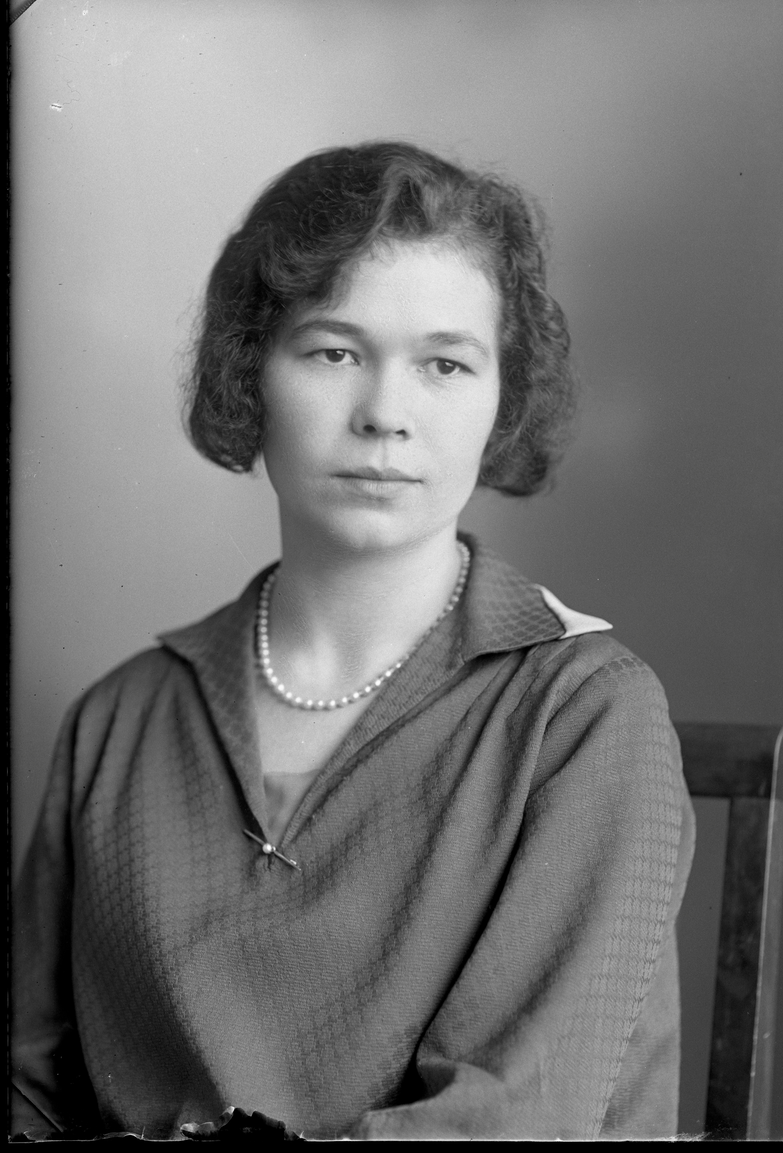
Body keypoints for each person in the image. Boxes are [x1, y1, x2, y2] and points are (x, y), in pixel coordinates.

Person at [11, 141, 695, 1142]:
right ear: (251, 374)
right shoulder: (121, 721)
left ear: (502, 400)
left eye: (444, 364)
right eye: (333, 352)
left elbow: (512, 1123)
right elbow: (30, 1093)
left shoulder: (583, 712)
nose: (384, 416)